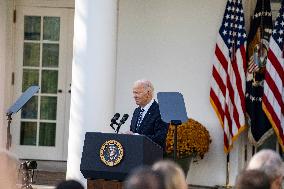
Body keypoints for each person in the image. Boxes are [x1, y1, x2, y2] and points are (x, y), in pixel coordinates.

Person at [128, 79, 168, 148]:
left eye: (138, 93)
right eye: (134, 93)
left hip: (153, 156)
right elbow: (133, 132)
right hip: (136, 154)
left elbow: (160, 138)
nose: (134, 96)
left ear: (148, 93)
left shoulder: (161, 111)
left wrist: (136, 136)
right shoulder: (137, 111)